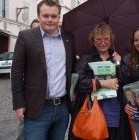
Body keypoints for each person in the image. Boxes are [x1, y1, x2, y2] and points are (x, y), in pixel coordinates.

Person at [11, 0, 76, 139]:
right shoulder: (26, 37)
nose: (50, 20)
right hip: (37, 109)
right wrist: (18, 103)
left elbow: (71, 69)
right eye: (46, 16)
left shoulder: (68, 38)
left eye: (54, 16)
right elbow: (16, 72)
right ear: (38, 16)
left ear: (59, 16)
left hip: (62, 108)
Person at [69, 23, 132, 140]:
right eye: (99, 39)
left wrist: (119, 63)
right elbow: (78, 81)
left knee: (112, 136)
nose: (102, 42)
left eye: (106, 39)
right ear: (93, 40)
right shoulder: (86, 57)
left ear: (111, 39)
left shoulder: (116, 57)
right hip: (92, 108)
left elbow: (126, 79)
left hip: (113, 109)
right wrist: (102, 83)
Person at [15, 18, 40, 140]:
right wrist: (19, 102)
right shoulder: (26, 41)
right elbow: (17, 72)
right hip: (29, 99)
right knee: (22, 129)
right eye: (35, 29)